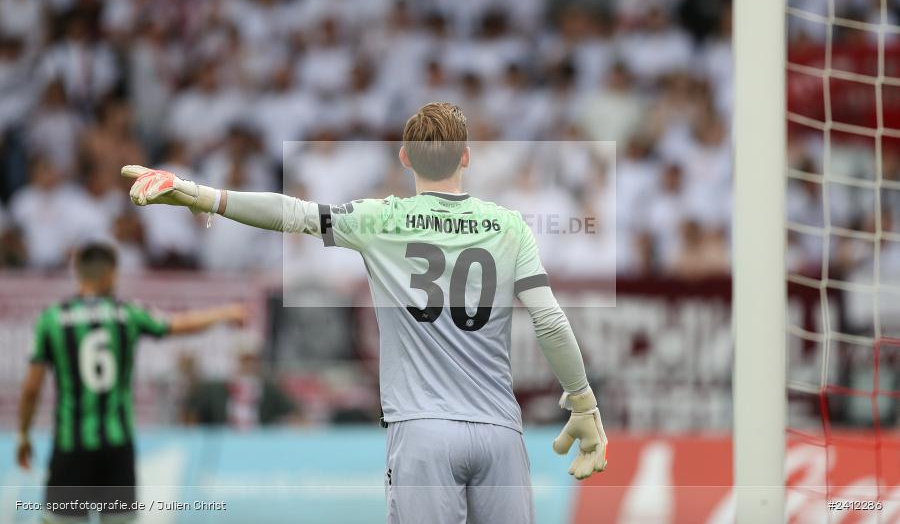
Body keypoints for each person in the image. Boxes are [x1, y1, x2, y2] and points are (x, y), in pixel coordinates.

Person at [122, 102, 607, 524]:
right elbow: (549, 321)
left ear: (403, 158)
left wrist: (201, 194)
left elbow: (291, 212)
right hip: (500, 430)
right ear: (465, 156)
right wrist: (583, 402)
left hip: (421, 429)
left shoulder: (381, 218)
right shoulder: (510, 226)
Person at [16, 242, 246, 524]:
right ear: (110, 275)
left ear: (78, 273)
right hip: (117, 447)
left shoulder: (51, 319)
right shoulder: (126, 314)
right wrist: (223, 313)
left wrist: (24, 435)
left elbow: (30, 390)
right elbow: (178, 324)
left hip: (70, 446)